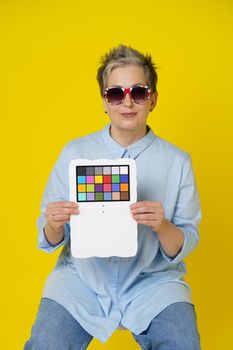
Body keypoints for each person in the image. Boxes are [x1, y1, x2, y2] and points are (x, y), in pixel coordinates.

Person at [24, 44, 201, 350]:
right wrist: (53, 223)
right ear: (105, 102)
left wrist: (163, 226)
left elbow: (186, 241)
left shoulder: (178, 162)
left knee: (183, 343)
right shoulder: (74, 153)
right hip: (80, 281)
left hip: (153, 283)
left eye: (139, 92)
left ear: (153, 100)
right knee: (45, 343)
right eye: (116, 93)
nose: (127, 102)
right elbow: (50, 235)